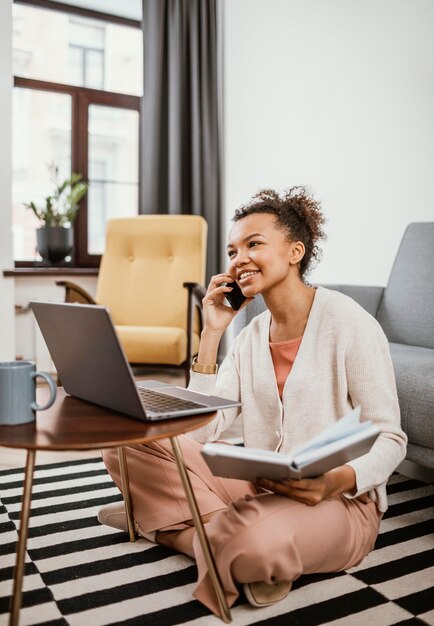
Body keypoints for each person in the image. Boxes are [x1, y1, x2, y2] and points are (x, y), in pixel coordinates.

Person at [99, 187, 407, 614]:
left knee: (253, 545)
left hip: (339, 503)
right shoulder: (248, 337)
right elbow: (203, 430)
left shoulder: (350, 323)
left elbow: (390, 437)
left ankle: (163, 525)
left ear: (295, 251)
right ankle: (208, 531)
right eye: (233, 250)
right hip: (261, 488)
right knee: (126, 441)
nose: (238, 257)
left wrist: (333, 482)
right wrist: (211, 334)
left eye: (253, 244)